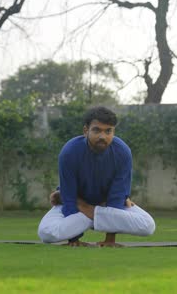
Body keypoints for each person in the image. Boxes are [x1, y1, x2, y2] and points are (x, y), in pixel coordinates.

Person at [37, 106, 155, 247]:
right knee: (46, 233)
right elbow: (69, 198)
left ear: (113, 131)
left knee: (147, 225)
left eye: (108, 131)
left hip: (104, 205)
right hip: (74, 203)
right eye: (97, 130)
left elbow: (116, 199)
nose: (102, 136)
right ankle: (91, 214)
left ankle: (87, 210)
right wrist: (74, 240)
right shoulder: (69, 152)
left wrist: (109, 240)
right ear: (86, 131)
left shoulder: (122, 152)